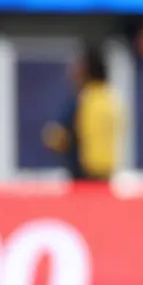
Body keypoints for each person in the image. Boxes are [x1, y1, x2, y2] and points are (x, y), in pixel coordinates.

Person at [42, 45, 123, 182]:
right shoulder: (111, 98)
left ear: (85, 69)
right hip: (107, 174)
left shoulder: (82, 99)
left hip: (82, 176)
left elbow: (56, 137)